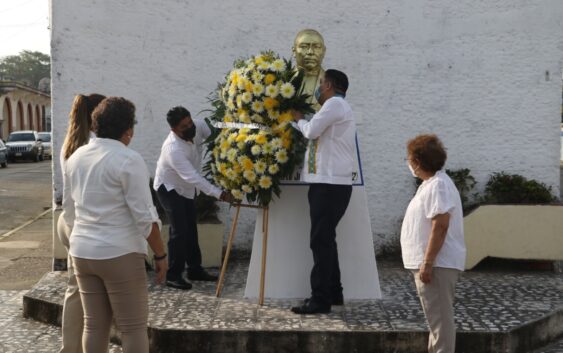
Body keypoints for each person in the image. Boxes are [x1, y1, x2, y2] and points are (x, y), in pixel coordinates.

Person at [62, 97, 167, 353]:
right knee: (132, 328)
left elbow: (70, 208)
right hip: (118, 252)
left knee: (94, 326)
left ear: (96, 125)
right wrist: (161, 255)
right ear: (128, 129)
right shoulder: (128, 159)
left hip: (82, 252)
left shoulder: (76, 156)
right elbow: (145, 218)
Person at [290, 69, 355, 314]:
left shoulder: (334, 104)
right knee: (326, 240)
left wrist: (297, 118)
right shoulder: (337, 107)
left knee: (320, 241)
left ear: (328, 85)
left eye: (320, 83)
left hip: (329, 187)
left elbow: (310, 131)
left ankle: (320, 299)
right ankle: (334, 291)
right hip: (330, 185)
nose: (318, 88)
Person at [154, 106, 231, 290]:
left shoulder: (196, 126)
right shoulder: (173, 149)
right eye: (184, 126)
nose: (190, 127)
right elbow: (194, 178)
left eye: (189, 122)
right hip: (169, 188)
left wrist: (235, 127)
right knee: (179, 230)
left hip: (186, 189)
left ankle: (194, 269)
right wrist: (219, 193)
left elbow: (215, 128)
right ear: (173, 129)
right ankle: (173, 275)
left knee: (191, 228)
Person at [401, 134, 466, 353]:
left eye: (409, 158)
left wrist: (428, 261)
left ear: (417, 161)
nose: (408, 162)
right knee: (436, 321)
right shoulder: (432, 184)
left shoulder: (438, 185)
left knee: (440, 322)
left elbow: (440, 225)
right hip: (434, 264)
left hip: (437, 265)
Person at [57, 93, 105, 353]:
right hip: (80, 227)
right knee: (87, 295)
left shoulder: (70, 142)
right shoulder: (93, 146)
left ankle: (70, 347)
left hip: (67, 222)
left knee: (75, 292)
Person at [292, 29, 326, 111]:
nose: (310, 52)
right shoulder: (281, 81)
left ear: (324, 51)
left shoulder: (332, 85)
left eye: (317, 47)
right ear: (294, 51)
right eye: (304, 47)